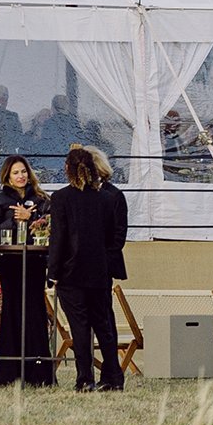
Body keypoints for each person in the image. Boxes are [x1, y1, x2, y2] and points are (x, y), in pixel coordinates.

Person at [46, 144, 129, 392]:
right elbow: (114, 237)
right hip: (100, 271)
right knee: (104, 324)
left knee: (80, 327)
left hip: (72, 272)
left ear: (68, 169)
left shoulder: (61, 198)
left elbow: (58, 238)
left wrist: (53, 272)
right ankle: (113, 376)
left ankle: (85, 379)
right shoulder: (107, 198)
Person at [0, 153, 55, 386]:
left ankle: (39, 375)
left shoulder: (42, 199)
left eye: (23, 171)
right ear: (7, 176)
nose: (21, 176)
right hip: (11, 266)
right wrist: (16, 220)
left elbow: (53, 225)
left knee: (35, 312)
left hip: (34, 264)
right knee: (12, 312)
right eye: (16, 172)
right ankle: (8, 373)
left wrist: (33, 217)